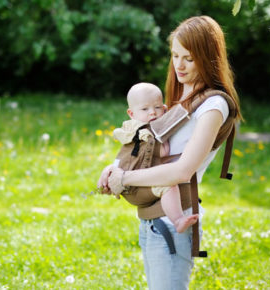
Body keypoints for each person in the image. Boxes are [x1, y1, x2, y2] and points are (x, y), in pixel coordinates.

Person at [97, 15, 242, 289]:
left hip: (172, 223)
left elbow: (182, 170)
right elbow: (148, 150)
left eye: (188, 57)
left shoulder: (212, 106)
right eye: (175, 55)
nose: (179, 64)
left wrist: (124, 179)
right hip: (153, 221)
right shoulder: (183, 101)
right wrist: (114, 169)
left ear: (208, 57)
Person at [112, 82, 199, 233]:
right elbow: (162, 152)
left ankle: (178, 220)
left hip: (137, 182)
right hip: (135, 186)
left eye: (157, 107)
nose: (152, 112)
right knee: (168, 186)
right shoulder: (139, 132)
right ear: (132, 114)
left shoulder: (143, 129)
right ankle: (178, 220)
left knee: (167, 186)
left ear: (164, 108)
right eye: (145, 109)